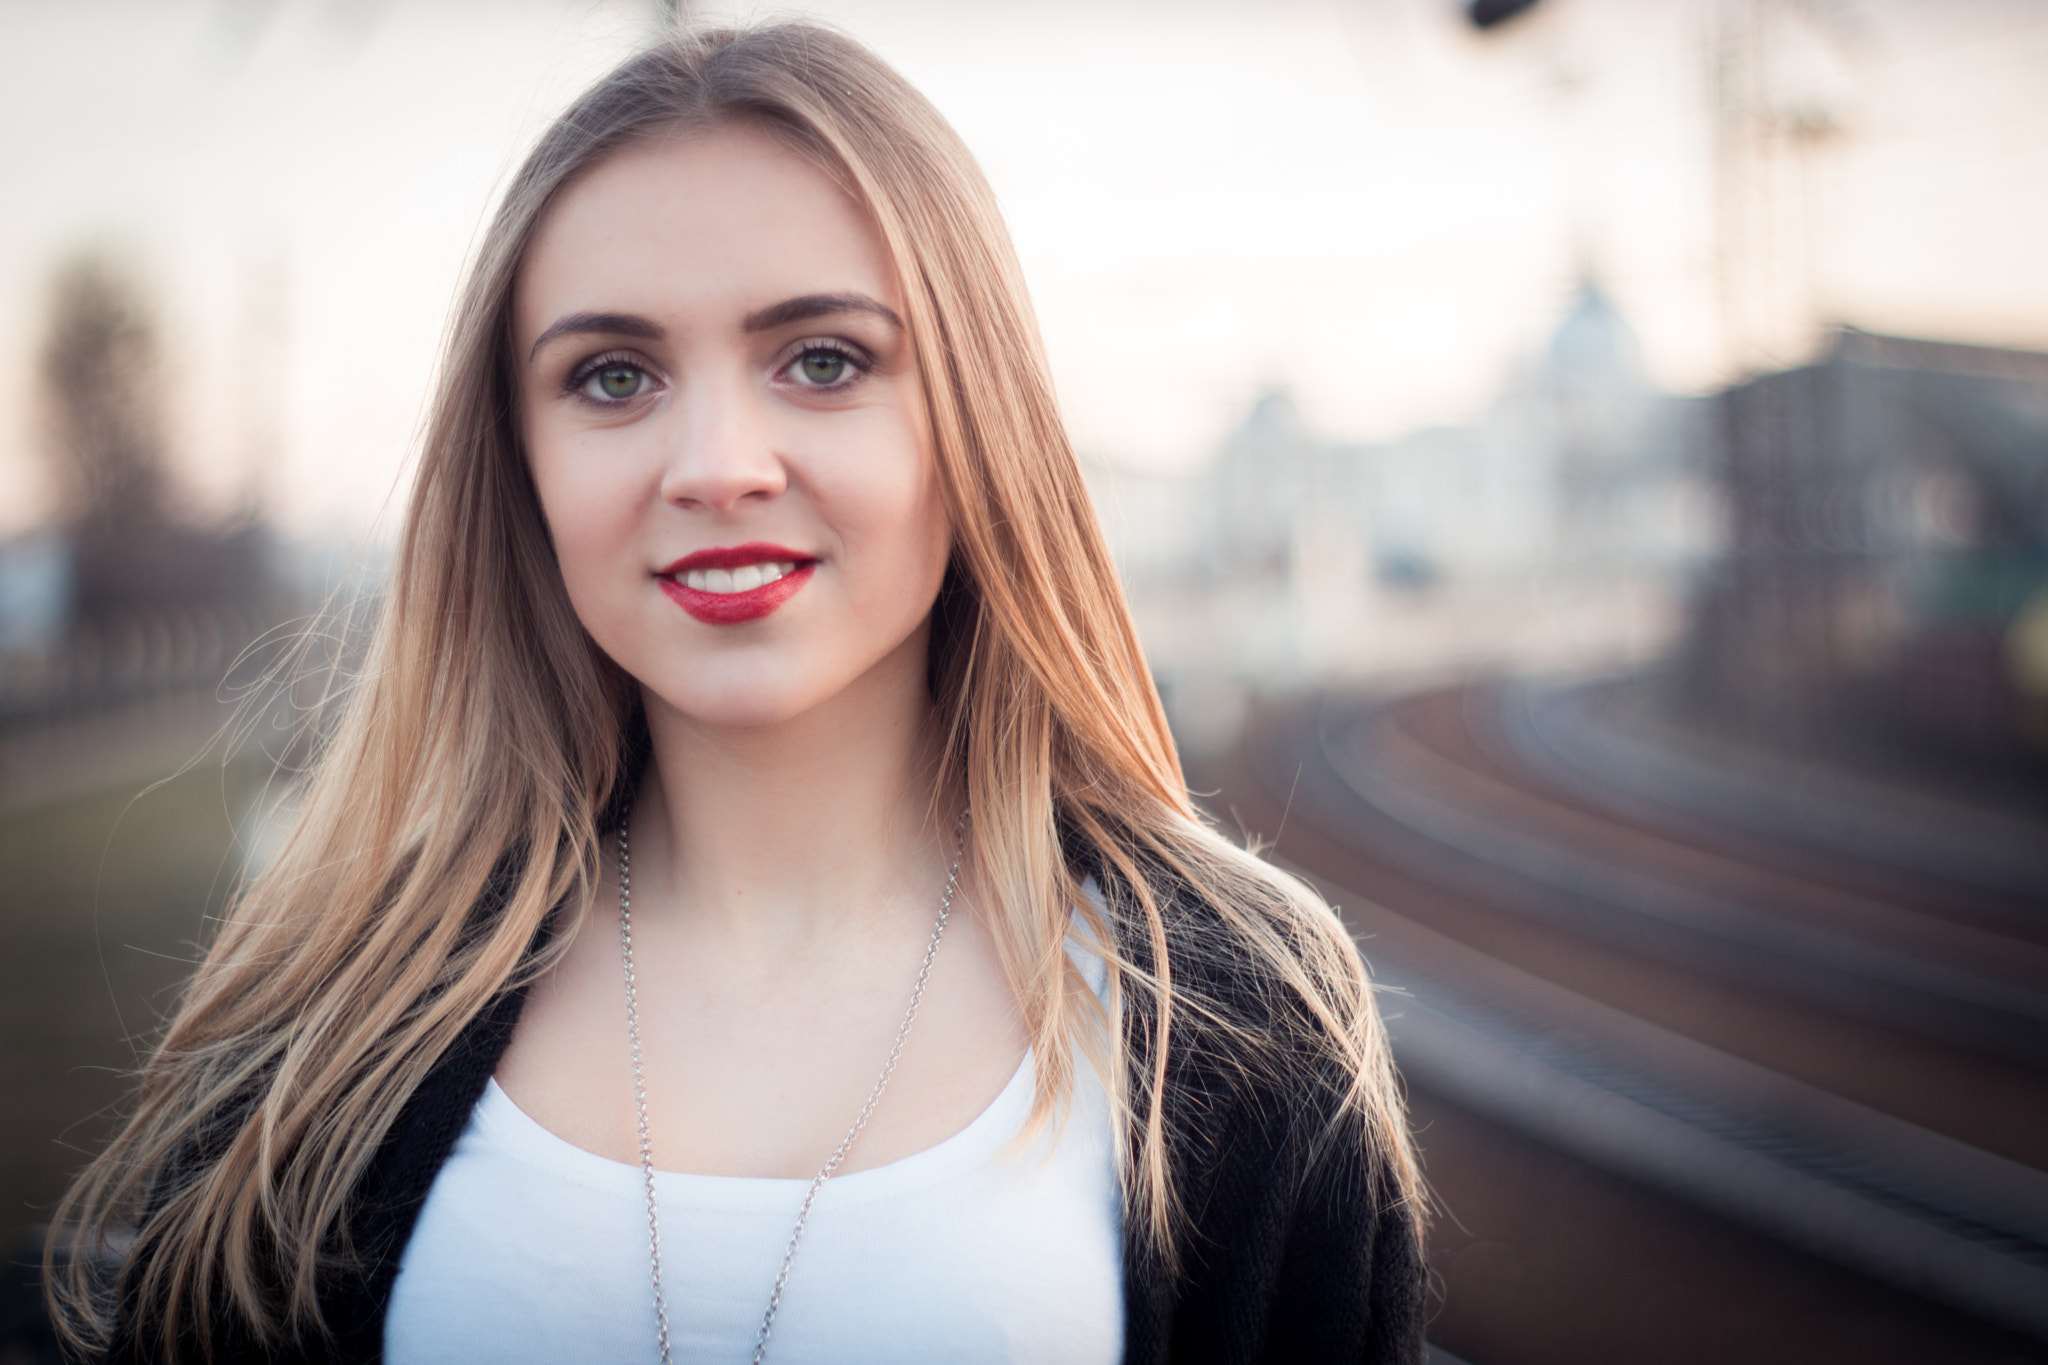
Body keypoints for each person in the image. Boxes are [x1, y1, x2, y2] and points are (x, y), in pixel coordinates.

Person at [50, 22, 1425, 1364]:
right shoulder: (332, 1026)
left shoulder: (1242, 1020)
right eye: (612, 376)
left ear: (976, 415)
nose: (715, 463)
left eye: (823, 359)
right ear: (518, 463)